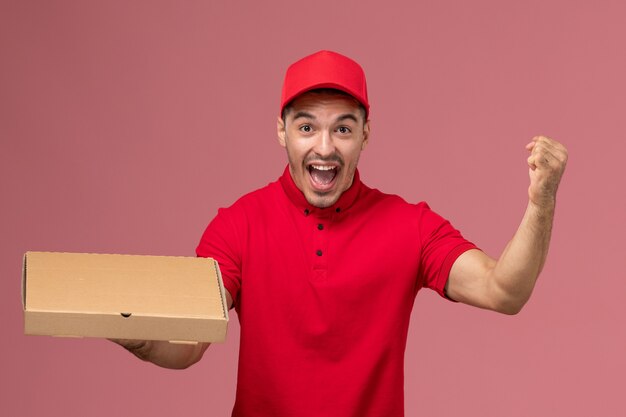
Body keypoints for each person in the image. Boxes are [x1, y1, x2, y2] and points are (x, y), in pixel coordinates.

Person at [113, 50, 568, 416]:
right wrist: (138, 336)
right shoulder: (238, 224)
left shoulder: (410, 226)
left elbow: (504, 290)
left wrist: (540, 201)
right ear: (282, 131)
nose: (325, 147)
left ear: (366, 135)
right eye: (307, 126)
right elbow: (189, 344)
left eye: (343, 129)